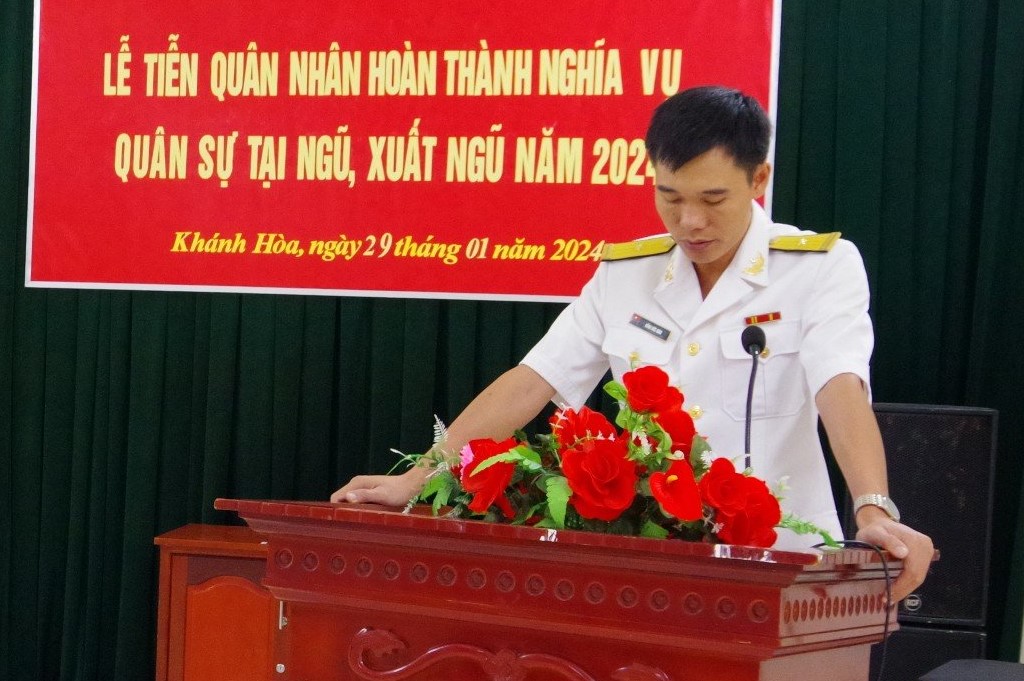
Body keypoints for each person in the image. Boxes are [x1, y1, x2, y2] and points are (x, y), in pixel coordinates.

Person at [332, 85, 933, 602]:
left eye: (712, 199)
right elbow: (534, 380)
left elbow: (839, 386)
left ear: (759, 180)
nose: (690, 221)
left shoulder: (819, 267)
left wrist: (872, 506)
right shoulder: (626, 275)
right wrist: (420, 476)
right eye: (670, 196)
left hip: (782, 563)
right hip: (652, 563)